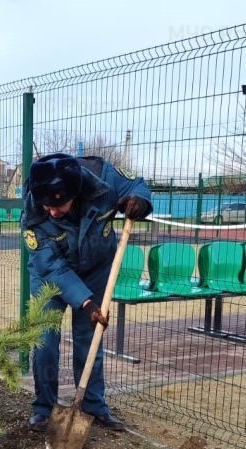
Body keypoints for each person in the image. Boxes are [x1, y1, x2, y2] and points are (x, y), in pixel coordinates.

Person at [21, 153, 153, 433]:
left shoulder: (105, 178)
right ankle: (44, 408)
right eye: (47, 206)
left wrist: (140, 201)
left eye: (58, 205)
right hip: (51, 276)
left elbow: (137, 185)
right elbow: (51, 266)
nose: (52, 212)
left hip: (95, 269)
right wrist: (85, 301)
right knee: (44, 341)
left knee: (89, 338)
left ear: (76, 190)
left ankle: (92, 404)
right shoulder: (34, 211)